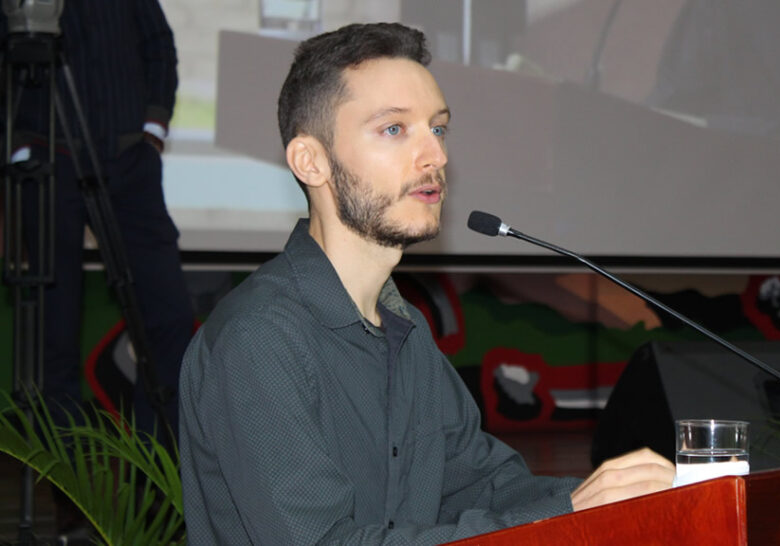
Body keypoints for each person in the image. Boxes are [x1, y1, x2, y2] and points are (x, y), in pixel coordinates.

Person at [178, 22, 674, 544]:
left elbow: (485, 487)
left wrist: (602, 498)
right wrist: (570, 513)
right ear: (311, 161)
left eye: (437, 129)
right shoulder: (260, 339)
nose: (435, 156)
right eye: (394, 129)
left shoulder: (406, 333)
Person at [0, 0, 191, 458]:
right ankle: (71, 487)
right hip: (47, 165)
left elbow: (158, 44)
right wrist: (18, 147)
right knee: (55, 332)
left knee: (169, 318)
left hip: (129, 163)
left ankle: (156, 476)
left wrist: (152, 129)